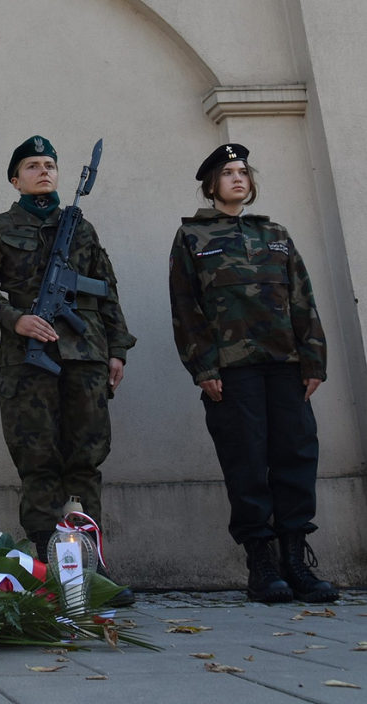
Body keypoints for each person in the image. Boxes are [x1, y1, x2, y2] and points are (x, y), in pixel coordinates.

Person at [0, 135, 136, 603]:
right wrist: (15, 318)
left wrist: (117, 348)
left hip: (86, 358)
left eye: (50, 164)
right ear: (15, 179)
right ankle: (45, 571)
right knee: (39, 464)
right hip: (28, 363)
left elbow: (106, 291)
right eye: (32, 165)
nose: (44, 171)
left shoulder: (81, 228)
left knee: (86, 460)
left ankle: (89, 573)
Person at [169, 143, 338, 603]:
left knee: (296, 457)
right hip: (231, 369)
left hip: (285, 364)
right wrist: (202, 366)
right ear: (211, 185)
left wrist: (313, 360)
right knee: (246, 461)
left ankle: (296, 561)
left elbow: (303, 299)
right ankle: (261, 565)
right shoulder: (192, 238)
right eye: (228, 173)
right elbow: (186, 308)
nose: (238, 178)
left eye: (243, 171)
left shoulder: (276, 234)